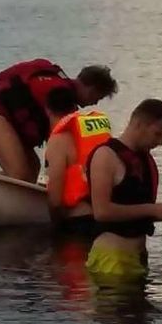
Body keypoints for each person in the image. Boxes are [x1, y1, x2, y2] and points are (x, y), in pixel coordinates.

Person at [85, 99, 162, 282]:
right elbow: (102, 211)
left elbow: (134, 208)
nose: (160, 142)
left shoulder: (143, 159)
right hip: (112, 258)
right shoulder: (106, 155)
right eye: (157, 134)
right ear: (139, 124)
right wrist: (153, 209)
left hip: (137, 257)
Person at [0, 59, 117, 182]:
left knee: (31, 172)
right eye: (98, 98)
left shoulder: (60, 88)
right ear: (92, 90)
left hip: (10, 124)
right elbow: (59, 145)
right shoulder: (62, 98)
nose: (95, 103)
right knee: (19, 175)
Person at [43, 88, 112, 237]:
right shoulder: (95, 130)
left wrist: (54, 227)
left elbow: (55, 201)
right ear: (74, 108)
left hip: (80, 221)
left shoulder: (58, 140)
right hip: (108, 217)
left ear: (47, 110)